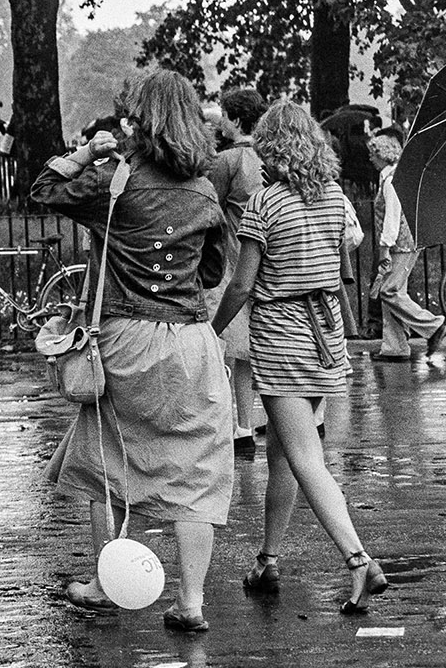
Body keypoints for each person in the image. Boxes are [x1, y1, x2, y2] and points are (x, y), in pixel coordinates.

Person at [35, 69, 231, 633]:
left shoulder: (115, 181)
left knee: (109, 463)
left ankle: (105, 584)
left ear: (138, 121)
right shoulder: (203, 190)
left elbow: (43, 192)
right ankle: (191, 601)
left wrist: (84, 153)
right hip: (192, 343)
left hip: (128, 339)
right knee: (197, 469)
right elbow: (214, 268)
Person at [213, 101, 387, 613]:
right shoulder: (333, 196)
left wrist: (211, 331)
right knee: (284, 452)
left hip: (283, 335)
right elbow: (344, 255)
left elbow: (242, 283)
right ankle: (268, 559)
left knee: (306, 458)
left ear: (271, 148)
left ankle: (359, 561)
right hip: (325, 333)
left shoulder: (265, 204)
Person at [207, 89, 265, 454]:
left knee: (232, 350)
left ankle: (239, 424)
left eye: (226, 116)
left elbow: (209, 209)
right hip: (270, 260)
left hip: (232, 258)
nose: (222, 123)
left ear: (236, 118)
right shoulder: (269, 157)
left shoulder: (226, 161)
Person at [367, 126, 443, 363]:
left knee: (388, 290)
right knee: (396, 292)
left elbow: (392, 216)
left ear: (383, 153)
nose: (370, 156)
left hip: (400, 244)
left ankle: (434, 324)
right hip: (407, 242)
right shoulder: (393, 176)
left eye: (373, 151)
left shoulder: (391, 180)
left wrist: (384, 247)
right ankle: (395, 347)